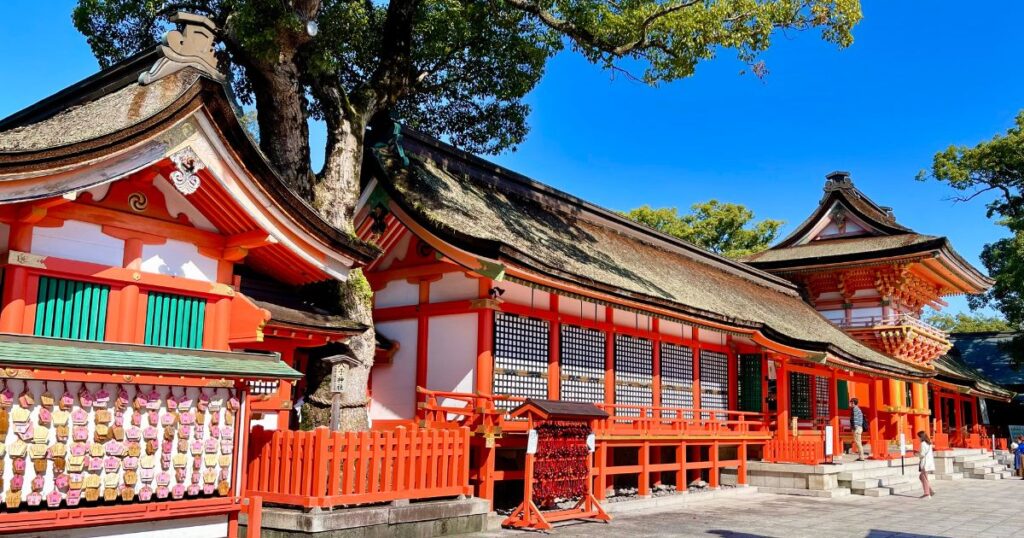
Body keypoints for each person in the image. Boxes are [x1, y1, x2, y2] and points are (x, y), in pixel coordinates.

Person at [917, 431, 935, 499]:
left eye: (919, 437)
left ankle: (927, 493)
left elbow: (922, 454)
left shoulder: (923, 444)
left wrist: (917, 454)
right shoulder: (929, 443)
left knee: (923, 477)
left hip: (925, 463)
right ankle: (930, 491)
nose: (918, 438)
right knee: (924, 477)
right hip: (929, 462)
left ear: (921, 437)